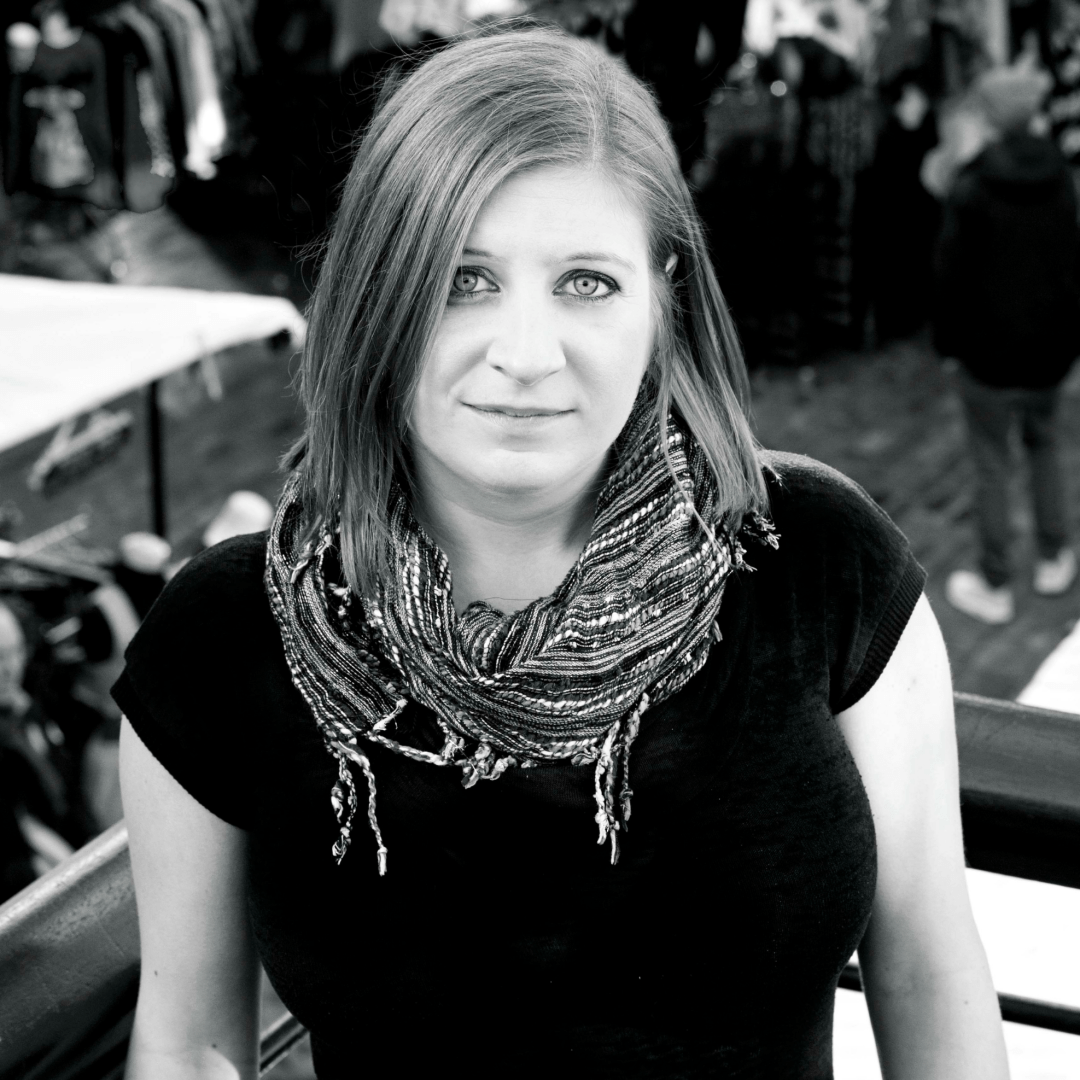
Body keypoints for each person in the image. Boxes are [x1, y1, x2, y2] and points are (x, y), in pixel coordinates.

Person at [114, 25, 1009, 1080]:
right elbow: (188, 1043)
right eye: (462, 280)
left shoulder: (821, 564)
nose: (527, 355)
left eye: (586, 282)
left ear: (662, 296)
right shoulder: (222, 639)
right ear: (375, 295)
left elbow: (928, 973)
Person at [936, 65, 1079, 625]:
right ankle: (1053, 555)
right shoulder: (1061, 175)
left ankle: (995, 583)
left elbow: (949, 278)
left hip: (988, 356)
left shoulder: (972, 186)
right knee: (1044, 447)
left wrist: (948, 346)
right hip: (1049, 351)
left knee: (992, 463)